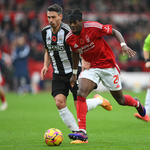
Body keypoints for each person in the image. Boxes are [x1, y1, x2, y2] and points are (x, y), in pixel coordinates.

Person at [65, 8, 146, 142]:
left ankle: (136, 103)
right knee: (81, 93)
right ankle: (82, 131)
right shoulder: (70, 38)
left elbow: (114, 31)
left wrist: (123, 44)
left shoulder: (93, 27)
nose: (72, 25)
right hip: (92, 68)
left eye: (75, 22)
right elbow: (74, 52)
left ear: (81, 21)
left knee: (121, 101)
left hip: (108, 66)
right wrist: (74, 73)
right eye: (70, 23)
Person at [40, 4, 112, 144]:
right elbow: (48, 50)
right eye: (48, 17)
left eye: (53, 17)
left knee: (79, 105)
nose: (51, 20)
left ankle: (99, 101)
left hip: (74, 71)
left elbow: (79, 47)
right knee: (59, 103)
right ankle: (77, 133)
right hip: (58, 73)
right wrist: (45, 65)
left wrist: (84, 61)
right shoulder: (45, 32)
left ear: (61, 17)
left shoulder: (69, 31)